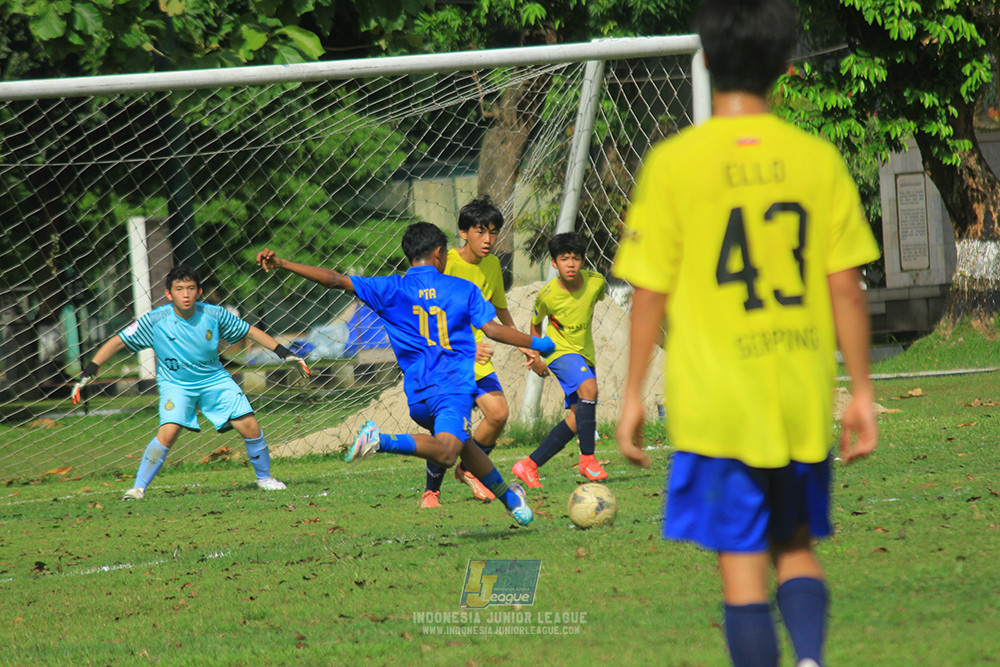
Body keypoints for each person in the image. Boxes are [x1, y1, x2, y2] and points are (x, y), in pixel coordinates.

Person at [612, 1, 880, 666]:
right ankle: (812, 658)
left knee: (741, 562)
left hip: (716, 404)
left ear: (704, 59)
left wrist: (633, 395)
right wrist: (863, 391)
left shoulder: (673, 162)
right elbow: (845, 286)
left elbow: (650, 290)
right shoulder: (815, 158)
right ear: (786, 68)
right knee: (794, 545)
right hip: (794, 395)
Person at [255, 222, 555, 526]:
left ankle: (510, 500)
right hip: (452, 389)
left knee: (464, 444)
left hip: (418, 396)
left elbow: (334, 280)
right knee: (449, 452)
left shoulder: (391, 288)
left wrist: (282, 263)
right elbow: (493, 330)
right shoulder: (463, 289)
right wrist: (537, 343)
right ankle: (379, 440)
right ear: (439, 253)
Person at [71, 265, 309, 500]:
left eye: (191, 288)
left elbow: (250, 331)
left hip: (214, 378)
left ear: (199, 292)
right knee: (169, 431)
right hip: (176, 384)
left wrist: (284, 352)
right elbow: (119, 342)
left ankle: (265, 479)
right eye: (179, 289)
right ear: (169, 294)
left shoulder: (213, 314)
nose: (185, 294)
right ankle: (138, 488)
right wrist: (90, 370)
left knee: (249, 425)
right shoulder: (156, 320)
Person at [421, 194, 540, 509]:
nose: (488, 240)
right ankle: (431, 491)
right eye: (480, 232)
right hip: (446, 359)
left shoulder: (491, 266)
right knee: (452, 428)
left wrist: (523, 345)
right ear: (463, 233)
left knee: (499, 414)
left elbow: (500, 310)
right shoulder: (445, 263)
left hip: (477, 359)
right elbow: (430, 315)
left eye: (493, 232)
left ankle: (469, 467)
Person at [511, 232, 607, 488]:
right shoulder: (547, 295)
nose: (571, 264)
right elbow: (534, 324)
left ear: (584, 261)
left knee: (578, 419)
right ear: (554, 263)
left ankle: (528, 465)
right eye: (564, 259)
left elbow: (594, 301)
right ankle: (587, 459)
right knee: (590, 389)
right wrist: (536, 356)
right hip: (558, 351)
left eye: (576, 258)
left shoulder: (596, 283)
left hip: (584, 353)